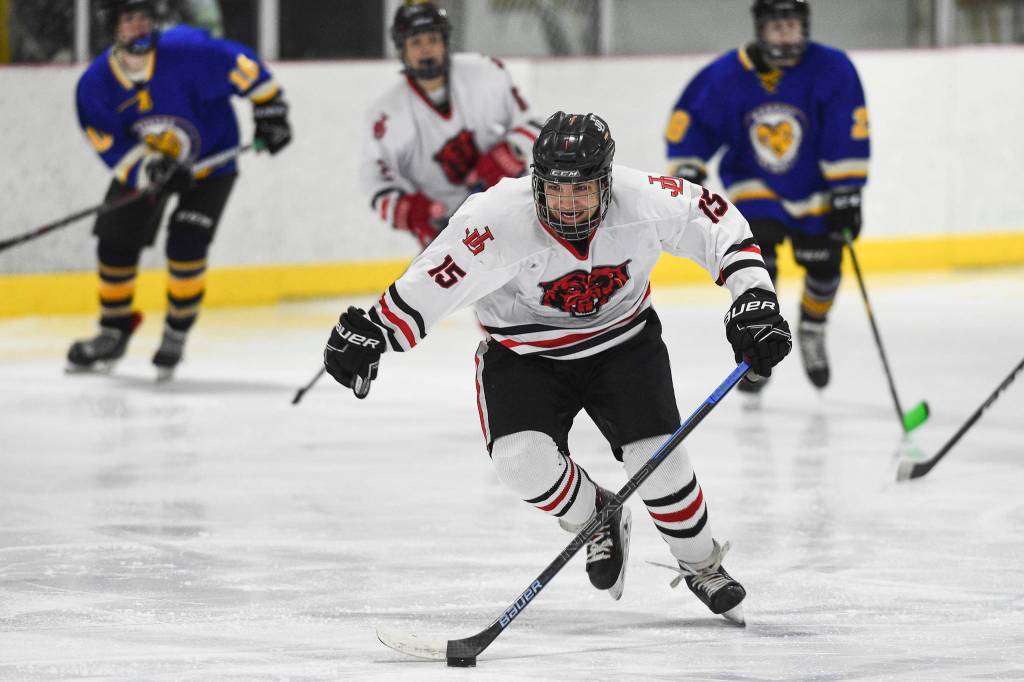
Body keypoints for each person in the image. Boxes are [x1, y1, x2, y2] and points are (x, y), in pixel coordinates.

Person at [324, 111, 792, 623]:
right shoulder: (494, 219)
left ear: (608, 182)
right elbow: (435, 279)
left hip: (623, 344)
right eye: (556, 190)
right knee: (520, 460)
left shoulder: (645, 199)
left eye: (583, 191)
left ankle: (702, 564)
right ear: (536, 182)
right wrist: (377, 330)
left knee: (657, 463)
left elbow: (719, 221)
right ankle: (597, 518)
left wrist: (755, 299)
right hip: (525, 356)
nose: (568, 205)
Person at [67, 0, 291, 380]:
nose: (138, 27)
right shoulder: (94, 86)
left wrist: (270, 110)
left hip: (212, 162)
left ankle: (176, 333)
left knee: (187, 243)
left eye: (144, 18)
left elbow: (244, 65)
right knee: (114, 241)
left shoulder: (187, 51)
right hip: (150, 169)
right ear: (111, 27)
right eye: (128, 19)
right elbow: (112, 147)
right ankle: (113, 331)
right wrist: (150, 169)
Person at [664, 0, 869, 392]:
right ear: (761, 28)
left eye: (792, 26)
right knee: (761, 266)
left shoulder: (832, 67)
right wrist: (689, 165)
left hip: (816, 188)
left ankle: (812, 327)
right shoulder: (728, 74)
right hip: (755, 184)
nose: (786, 35)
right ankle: (758, 345)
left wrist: (847, 190)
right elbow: (693, 120)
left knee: (825, 268)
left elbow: (847, 124)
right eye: (778, 27)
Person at [360, 1, 542, 250]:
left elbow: (535, 125)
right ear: (402, 50)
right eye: (415, 43)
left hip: (510, 206)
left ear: (445, 42)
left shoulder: (484, 73)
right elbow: (376, 182)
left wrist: (512, 152)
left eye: (432, 39)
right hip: (445, 232)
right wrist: (410, 212)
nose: (426, 50)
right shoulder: (386, 116)